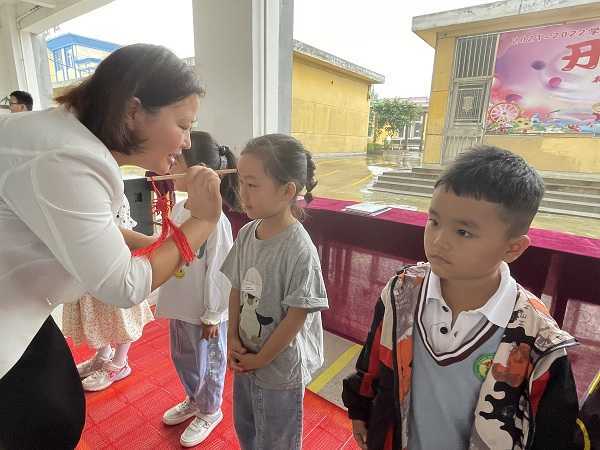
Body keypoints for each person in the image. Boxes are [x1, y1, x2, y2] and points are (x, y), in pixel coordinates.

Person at [0, 44, 222, 450]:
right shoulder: (68, 156)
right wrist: (201, 222)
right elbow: (124, 286)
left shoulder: (65, 138)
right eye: (183, 124)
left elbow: (95, 226)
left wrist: (162, 242)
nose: (187, 141)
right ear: (133, 111)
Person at [342, 146, 579, 450]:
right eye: (435, 221)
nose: (439, 240)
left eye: (463, 232)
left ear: (513, 248)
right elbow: (374, 360)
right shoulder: (401, 292)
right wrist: (361, 409)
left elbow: (552, 434)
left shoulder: (539, 340)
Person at [220, 134, 329, 450]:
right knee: (248, 428)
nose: (243, 193)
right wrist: (233, 341)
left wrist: (261, 359)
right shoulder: (246, 233)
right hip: (245, 359)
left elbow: (295, 319)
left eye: (252, 185)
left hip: (280, 371)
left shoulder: (299, 250)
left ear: (287, 191)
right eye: (241, 183)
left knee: (278, 440)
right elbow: (236, 289)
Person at [157, 131, 237, 447]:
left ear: (200, 171)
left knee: (211, 362)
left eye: (178, 160)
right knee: (184, 358)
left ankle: (210, 410)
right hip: (180, 305)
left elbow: (220, 272)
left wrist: (213, 314)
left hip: (205, 314)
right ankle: (194, 399)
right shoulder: (179, 208)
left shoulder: (217, 223)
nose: (170, 165)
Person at [62, 193, 154, 391]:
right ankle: (103, 355)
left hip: (112, 267)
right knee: (94, 314)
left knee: (121, 314)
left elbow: (122, 235)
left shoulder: (116, 197)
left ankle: (120, 362)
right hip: (85, 265)